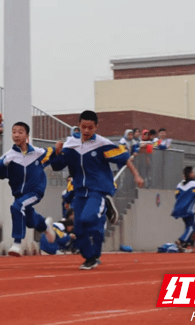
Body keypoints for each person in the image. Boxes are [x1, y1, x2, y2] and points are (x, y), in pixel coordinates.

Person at [50, 110, 144, 270]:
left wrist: (137, 175)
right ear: (78, 125)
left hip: (98, 189)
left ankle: (104, 206)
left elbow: (124, 157)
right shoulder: (70, 144)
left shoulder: (102, 144)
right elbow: (57, 166)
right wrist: (57, 152)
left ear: (96, 127)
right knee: (78, 228)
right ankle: (91, 258)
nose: (86, 131)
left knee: (89, 219)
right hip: (80, 191)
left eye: (90, 128)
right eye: (83, 127)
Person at [0, 121, 56, 256]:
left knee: (16, 207)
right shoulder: (8, 156)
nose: (16, 135)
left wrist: (62, 150)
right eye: (14, 132)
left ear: (27, 135)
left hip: (35, 191)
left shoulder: (38, 153)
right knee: (30, 221)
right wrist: (3, 164)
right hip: (19, 194)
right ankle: (45, 225)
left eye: (20, 132)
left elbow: (54, 153)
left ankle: (17, 243)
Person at [171, 166, 195, 252]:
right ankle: (181, 241)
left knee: (187, 226)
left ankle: (187, 245)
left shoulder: (179, 184)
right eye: (193, 173)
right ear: (190, 174)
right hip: (190, 210)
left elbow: (176, 195)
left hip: (180, 209)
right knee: (192, 227)